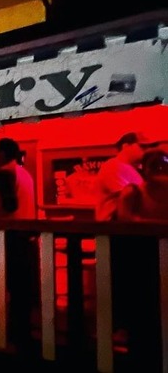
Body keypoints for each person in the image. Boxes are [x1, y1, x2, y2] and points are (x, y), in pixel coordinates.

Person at [111, 146, 166, 369]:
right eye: (157, 165)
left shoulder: (134, 192)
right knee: (147, 321)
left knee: (145, 322)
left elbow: (126, 223)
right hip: (144, 267)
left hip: (143, 268)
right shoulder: (134, 192)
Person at [0, 138, 36, 350]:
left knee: (11, 285)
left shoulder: (5, 173)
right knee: (23, 288)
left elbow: (9, 205)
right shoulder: (25, 173)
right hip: (26, 236)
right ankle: (23, 333)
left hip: (10, 235)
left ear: (2, 153)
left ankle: (12, 336)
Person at [95, 132, 153, 221]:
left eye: (149, 147)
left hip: (127, 225)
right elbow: (130, 198)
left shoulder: (133, 169)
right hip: (113, 226)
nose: (147, 150)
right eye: (142, 146)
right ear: (125, 146)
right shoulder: (113, 166)